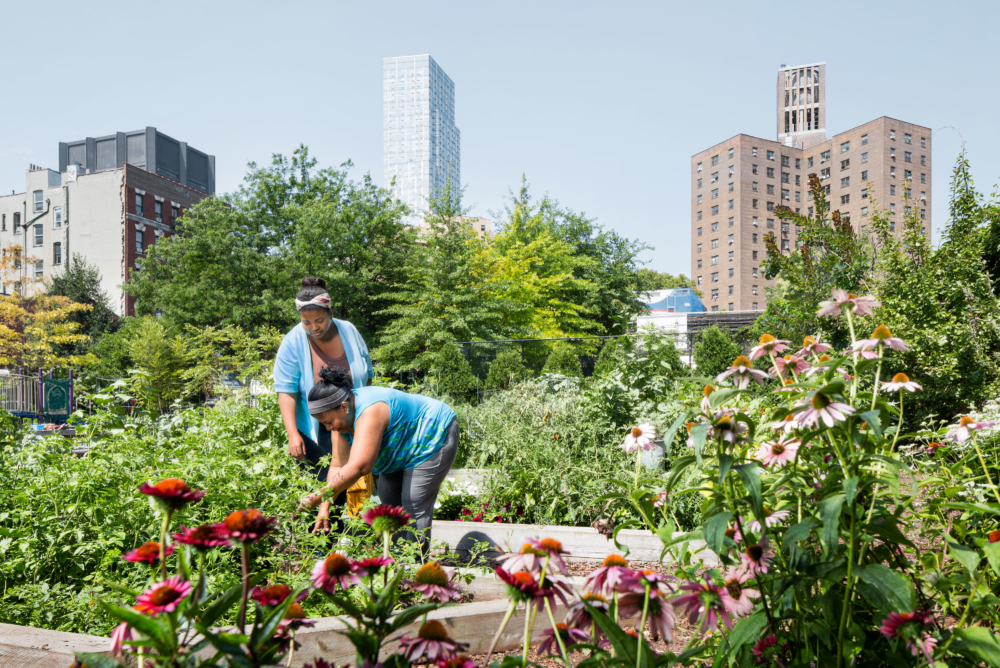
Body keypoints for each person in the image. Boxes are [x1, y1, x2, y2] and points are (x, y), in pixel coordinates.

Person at [302, 365, 458, 547]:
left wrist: (318, 496)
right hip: (400, 445)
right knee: (389, 501)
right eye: (325, 424)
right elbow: (338, 466)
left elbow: (361, 466)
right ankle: (397, 564)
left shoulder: (370, 411)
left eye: (329, 422)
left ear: (343, 407)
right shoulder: (340, 419)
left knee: (414, 502)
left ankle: (413, 566)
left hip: (430, 432)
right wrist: (324, 507)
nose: (329, 428)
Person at [273, 277, 375, 529]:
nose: (313, 327)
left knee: (351, 482)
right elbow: (286, 390)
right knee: (322, 483)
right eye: (306, 322)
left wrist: (366, 416)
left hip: (351, 418)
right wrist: (292, 434)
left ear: (330, 312)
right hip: (316, 425)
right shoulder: (293, 341)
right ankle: (320, 548)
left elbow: (367, 375)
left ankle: (352, 543)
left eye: (319, 320)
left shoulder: (349, 331)